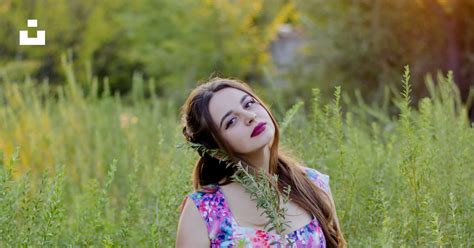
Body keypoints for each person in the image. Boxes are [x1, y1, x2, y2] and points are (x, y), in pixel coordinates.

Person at [176, 78, 346, 247]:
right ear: (215, 150)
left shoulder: (314, 184)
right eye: (231, 121)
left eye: (249, 104)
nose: (250, 116)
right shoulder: (203, 210)